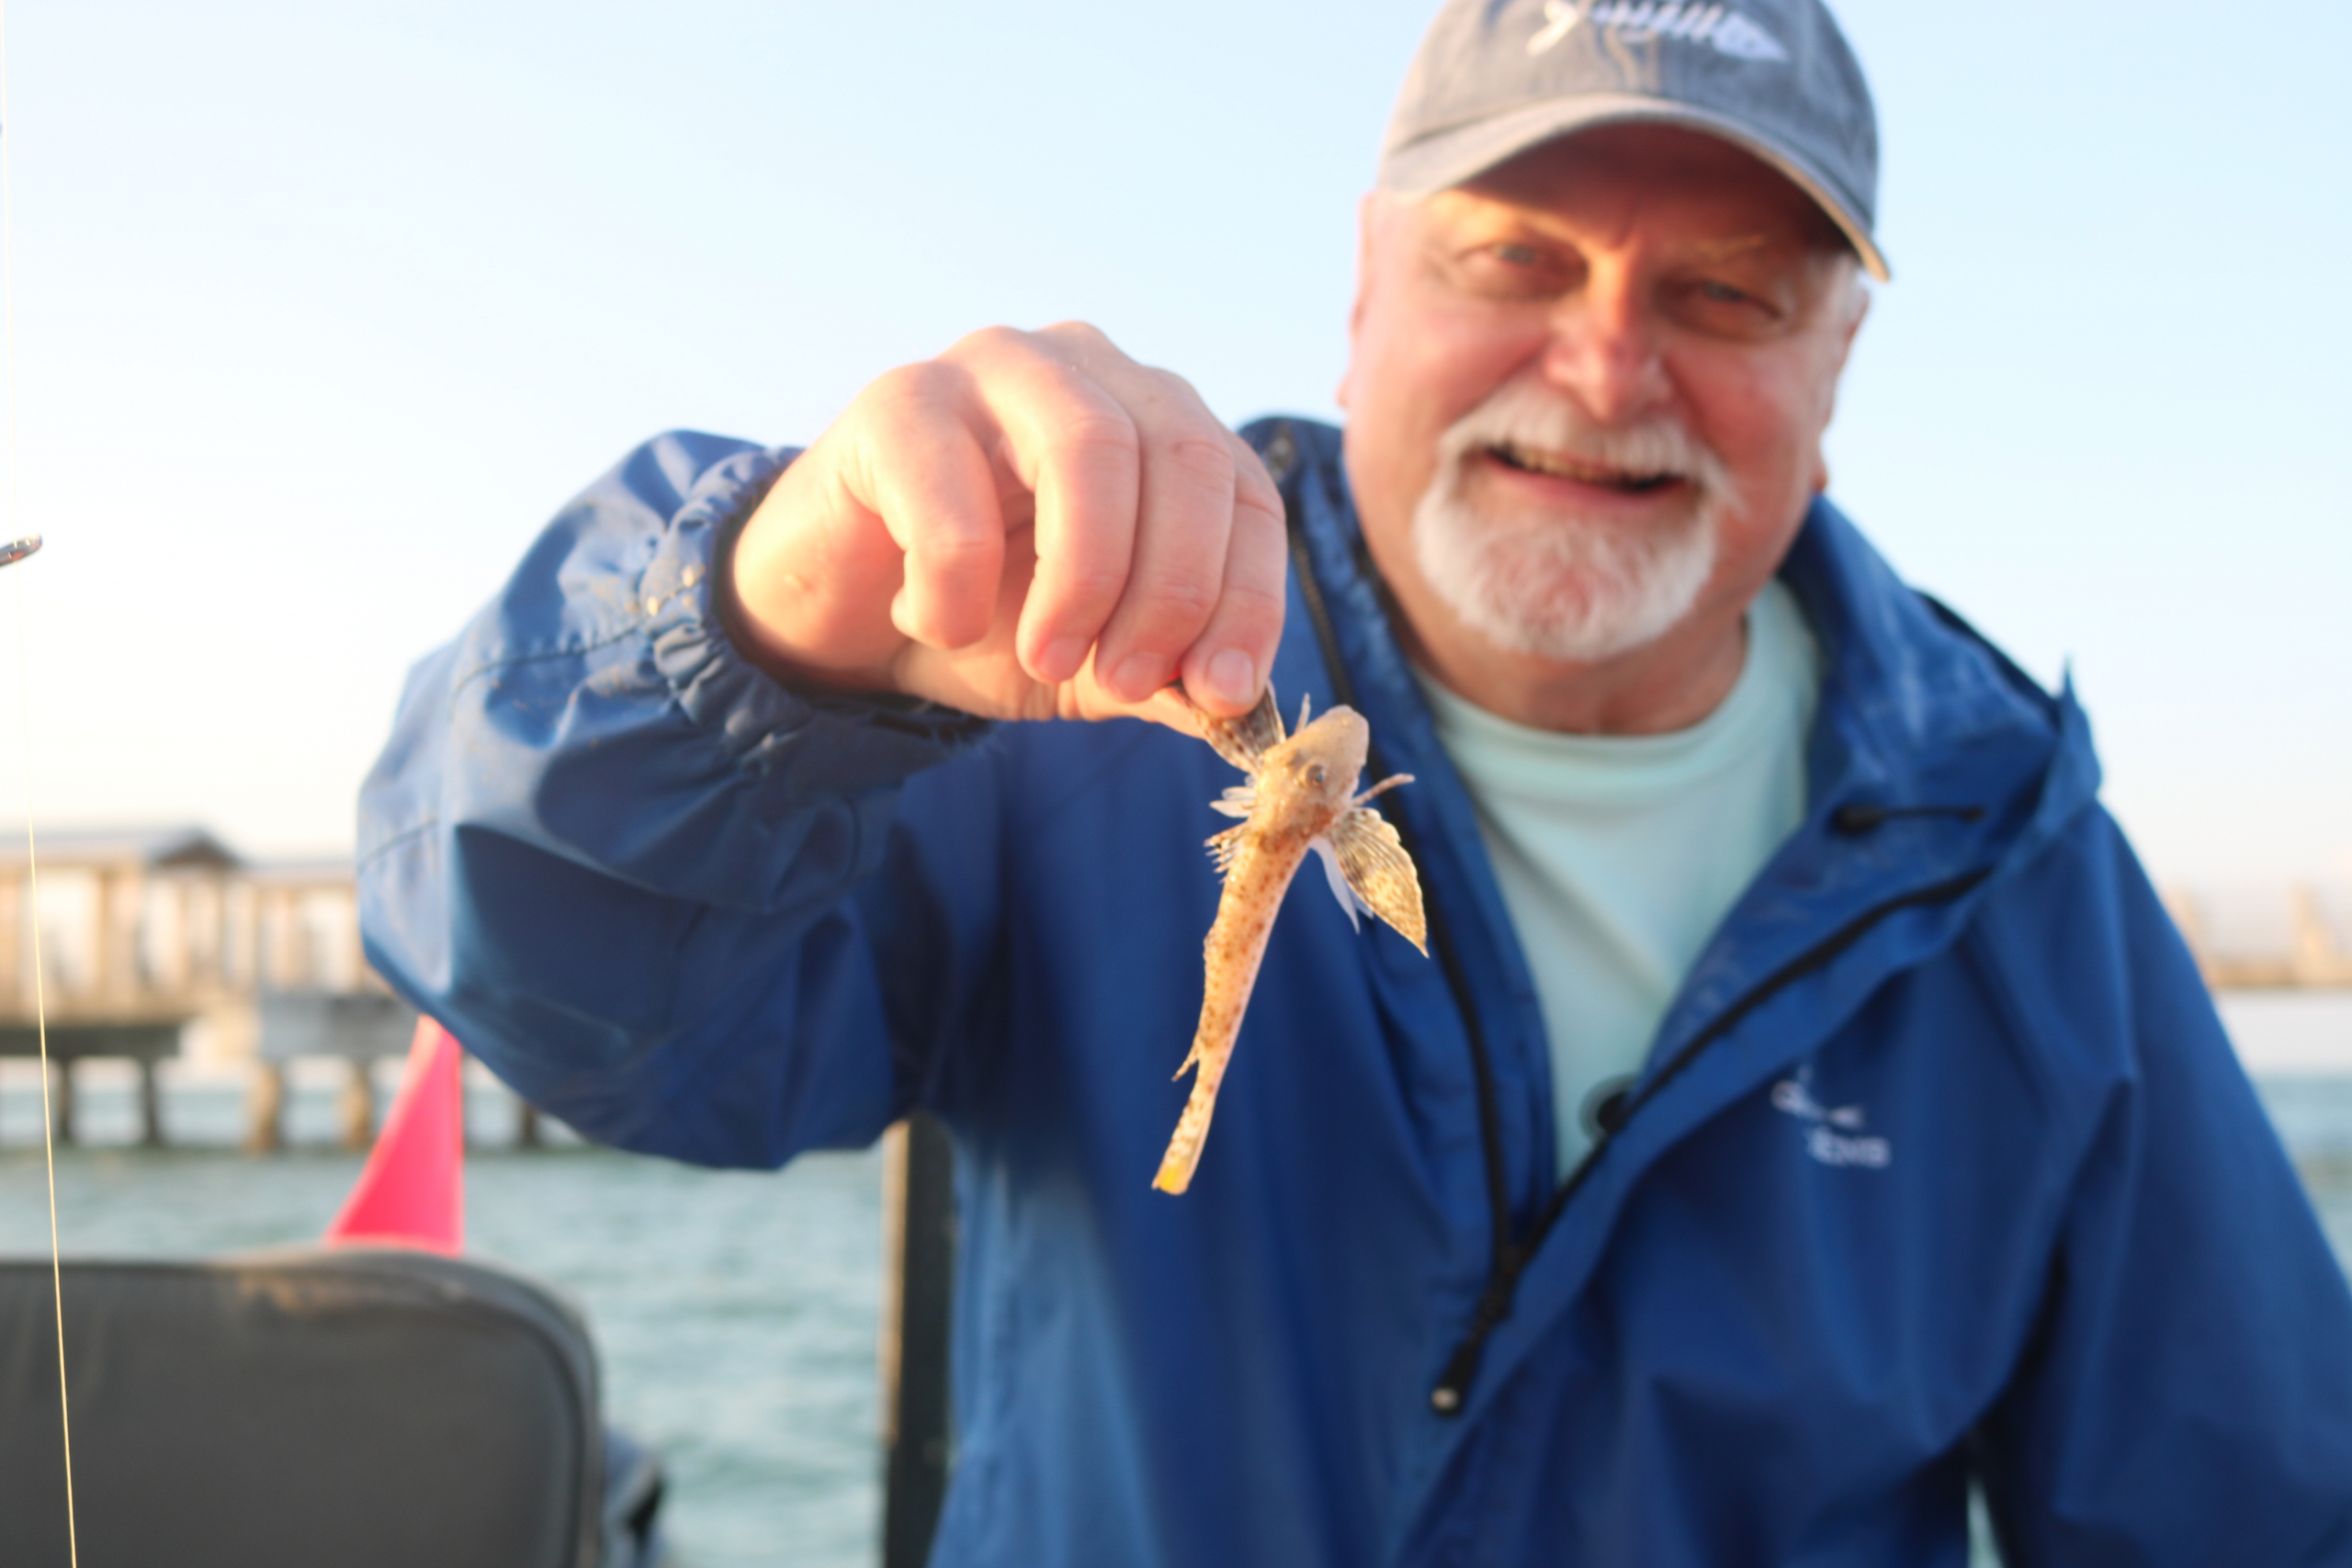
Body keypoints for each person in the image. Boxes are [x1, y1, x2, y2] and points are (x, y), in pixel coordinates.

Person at [358, 0, 2352, 1562]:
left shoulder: (2007, 870)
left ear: (1833, 374)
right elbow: (551, 989)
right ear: (1364, 288)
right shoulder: (1074, 684)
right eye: (1511, 258)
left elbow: (2261, 1501)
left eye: (1724, 292)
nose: (1598, 368)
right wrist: (758, 632)